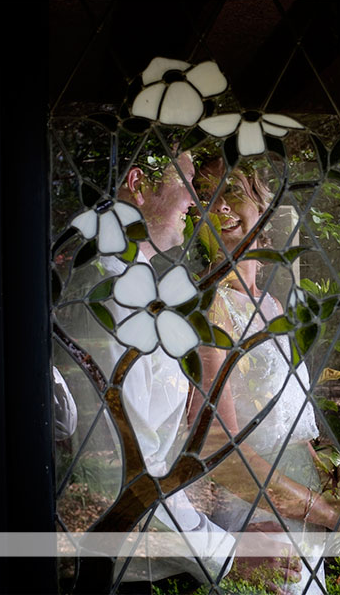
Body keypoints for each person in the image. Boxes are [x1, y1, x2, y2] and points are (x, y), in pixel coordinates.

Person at [59, 150, 301, 590]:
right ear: (139, 181)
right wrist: (226, 553)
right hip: (121, 565)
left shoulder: (142, 289)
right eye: (192, 186)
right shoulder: (116, 296)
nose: (200, 203)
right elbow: (127, 472)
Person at [188, 158, 340, 595]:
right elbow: (217, 448)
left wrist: (337, 484)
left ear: (263, 210)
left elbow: (289, 425)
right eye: (206, 196)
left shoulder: (272, 309)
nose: (219, 205)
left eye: (233, 192)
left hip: (296, 510)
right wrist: (331, 512)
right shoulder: (207, 309)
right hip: (252, 520)